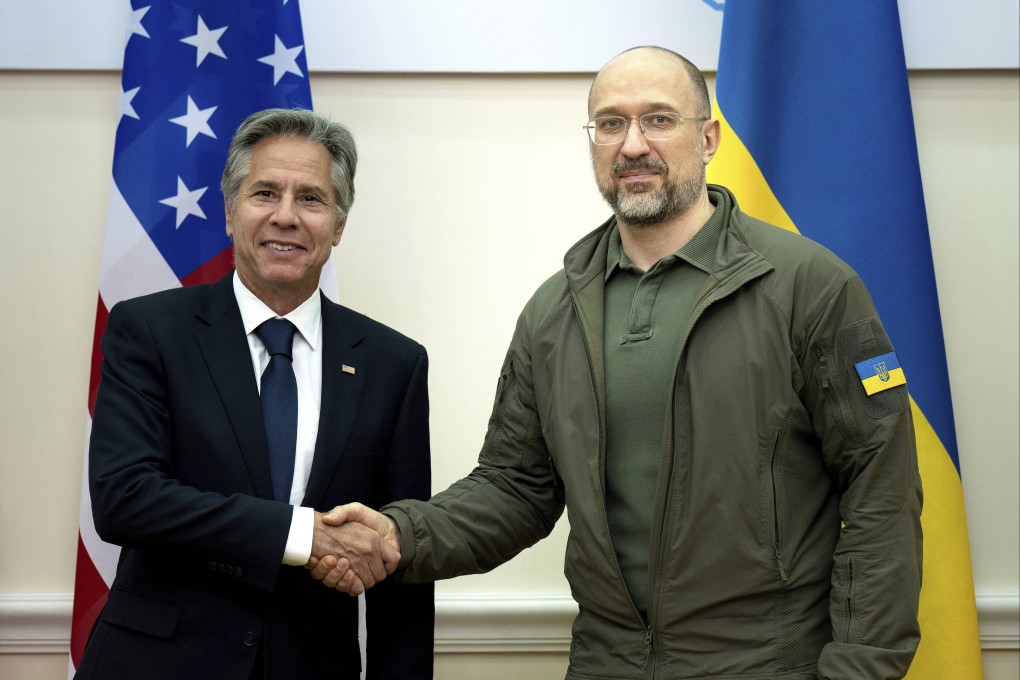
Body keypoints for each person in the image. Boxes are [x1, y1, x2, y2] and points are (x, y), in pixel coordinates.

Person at [315, 46, 924, 679]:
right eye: (610, 123)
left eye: (659, 119)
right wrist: (397, 535)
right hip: (606, 664)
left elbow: (882, 490)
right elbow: (515, 487)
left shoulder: (810, 287)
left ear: (709, 138)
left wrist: (859, 668)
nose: (632, 144)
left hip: (768, 664)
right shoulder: (553, 312)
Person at [76, 108, 434, 680]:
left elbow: (397, 556)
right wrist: (300, 535)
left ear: (339, 224)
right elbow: (125, 498)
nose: (285, 217)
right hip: (158, 664)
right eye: (264, 192)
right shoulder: (149, 331)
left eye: (312, 199)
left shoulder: (393, 364)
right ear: (230, 212)